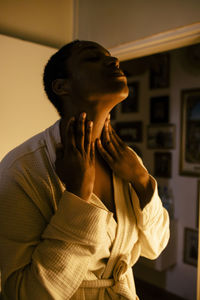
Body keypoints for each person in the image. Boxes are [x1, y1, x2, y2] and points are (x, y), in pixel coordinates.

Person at [0, 40, 170, 300]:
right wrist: (78, 196)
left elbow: (155, 247)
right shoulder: (21, 169)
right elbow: (23, 293)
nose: (114, 62)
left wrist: (142, 180)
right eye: (92, 58)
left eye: (111, 56)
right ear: (62, 86)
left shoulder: (129, 162)